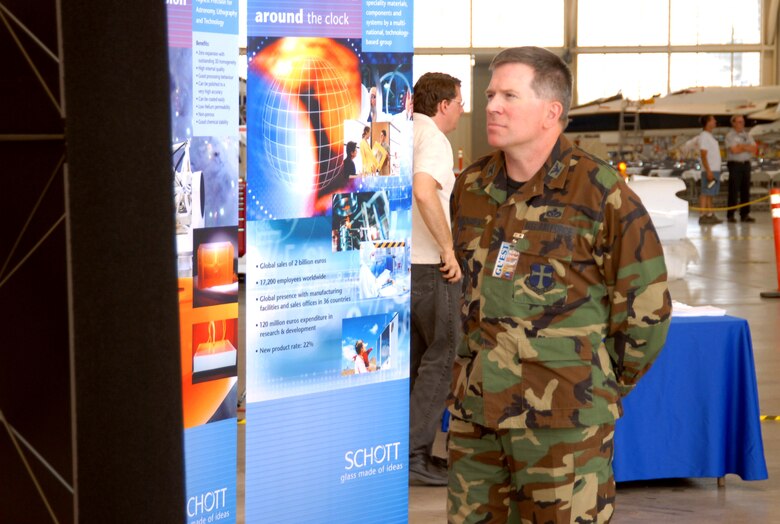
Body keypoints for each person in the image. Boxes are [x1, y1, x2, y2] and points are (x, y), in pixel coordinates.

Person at [448, 46, 672, 523]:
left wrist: (591, 384)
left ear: (552, 111)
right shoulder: (470, 188)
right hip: (478, 420)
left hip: (564, 425)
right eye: (490, 94)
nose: (491, 105)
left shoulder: (601, 193)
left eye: (509, 94)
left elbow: (645, 314)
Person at [409, 72, 465, 486]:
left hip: (401, 268)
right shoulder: (434, 140)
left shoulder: (404, 131)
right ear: (443, 104)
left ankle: (403, 451)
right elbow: (425, 190)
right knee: (443, 356)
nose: (462, 109)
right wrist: (447, 249)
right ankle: (416, 456)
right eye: (460, 102)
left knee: (415, 362)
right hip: (431, 266)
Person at [725, 115, 758, 223]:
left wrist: (741, 146)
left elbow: (754, 148)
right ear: (733, 123)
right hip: (735, 165)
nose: (742, 124)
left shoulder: (747, 135)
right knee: (733, 190)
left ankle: (745, 214)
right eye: (739, 122)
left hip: (746, 164)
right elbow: (734, 150)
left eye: (743, 122)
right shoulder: (730, 136)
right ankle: (731, 215)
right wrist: (746, 147)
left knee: (745, 190)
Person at [698, 115, 723, 224]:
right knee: (705, 192)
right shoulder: (704, 136)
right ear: (707, 122)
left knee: (710, 193)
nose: (715, 121)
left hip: (713, 169)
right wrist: (708, 170)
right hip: (710, 169)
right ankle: (703, 214)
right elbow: (703, 155)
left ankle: (710, 214)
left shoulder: (709, 136)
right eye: (713, 120)